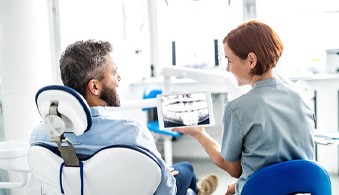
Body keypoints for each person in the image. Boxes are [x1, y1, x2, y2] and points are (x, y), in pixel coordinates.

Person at [30, 40, 218, 195]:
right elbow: (165, 190)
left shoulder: (40, 134)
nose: (119, 78)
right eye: (113, 72)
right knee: (186, 171)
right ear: (94, 87)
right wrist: (161, 174)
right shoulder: (132, 133)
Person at [172, 20, 315, 195]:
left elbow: (234, 170)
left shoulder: (238, 108)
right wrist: (240, 184)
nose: (227, 68)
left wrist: (199, 133)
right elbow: (285, 162)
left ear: (251, 60)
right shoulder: (301, 96)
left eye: (229, 60)